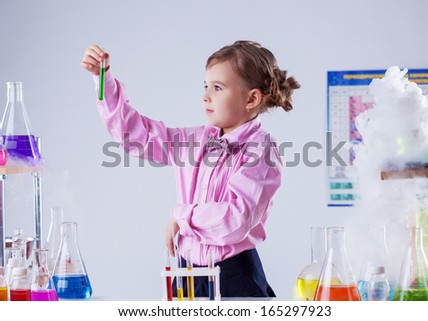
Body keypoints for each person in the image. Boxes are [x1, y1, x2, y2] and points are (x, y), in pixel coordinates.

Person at [81, 41, 300, 297]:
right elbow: (134, 136)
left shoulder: (261, 150)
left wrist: (180, 215)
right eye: (205, 86)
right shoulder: (194, 142)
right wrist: (102, 78)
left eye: (218, 88)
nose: (206, 96)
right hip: (187, 275)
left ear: (251, 98)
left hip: (233, 277)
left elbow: (236, 218)